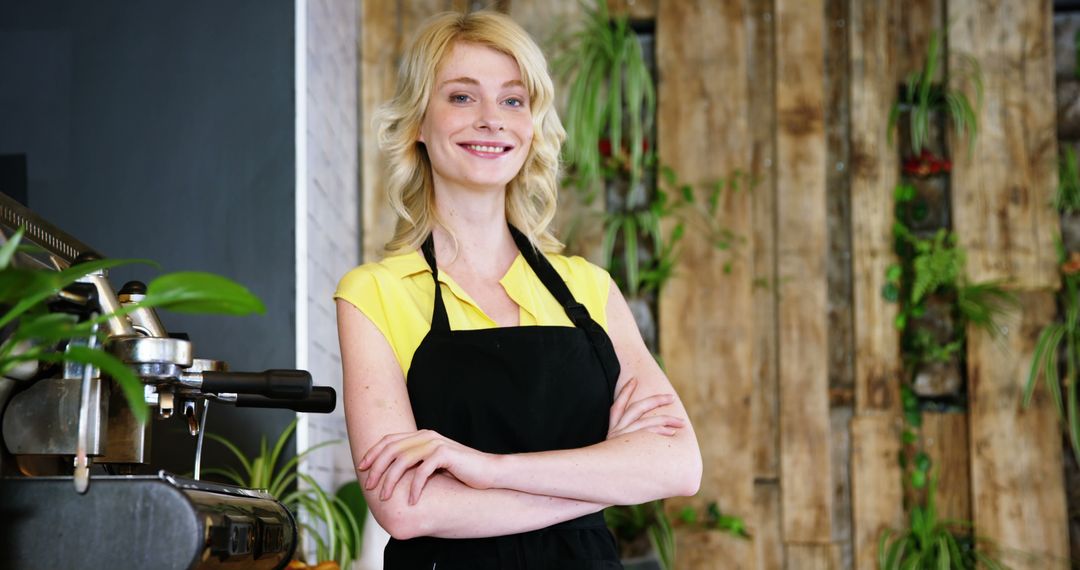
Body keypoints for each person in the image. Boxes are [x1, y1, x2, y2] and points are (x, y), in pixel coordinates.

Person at [335, 10, 702, 569]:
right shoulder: (374, 294)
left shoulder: (587, 288)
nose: (491, 120)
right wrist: (603, 476)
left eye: (512, 100)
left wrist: (487, 470)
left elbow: (677, 466)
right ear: (417, 121)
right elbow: (406, 509)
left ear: (532, 126)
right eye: (462, 97)